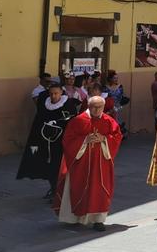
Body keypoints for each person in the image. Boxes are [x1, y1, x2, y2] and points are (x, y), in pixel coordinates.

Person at [53, 96, 123, 231]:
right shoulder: (78, 121)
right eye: (94, 107)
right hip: (80, 164)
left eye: (100, 107)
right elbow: (68, 140)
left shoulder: (109, 121)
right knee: (78, 187)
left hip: (100, 163)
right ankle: (74, 218)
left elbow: (117, 136)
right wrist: (85, 140)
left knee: (99, 190)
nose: (97, 110)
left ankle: (98, 220)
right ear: (88, 106)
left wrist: (104, 139)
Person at [17, 80, 81, 199]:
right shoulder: (44, 104)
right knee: (48, 167)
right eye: (51, 93)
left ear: (61, 92)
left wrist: (58, 123)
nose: (53, 96)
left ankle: (61, 192)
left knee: (59, 167)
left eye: (56, 93)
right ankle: (53, 189)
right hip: (45, 141)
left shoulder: (68, 104)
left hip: (61, 142)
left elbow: (72, 120)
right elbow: (39, 120)